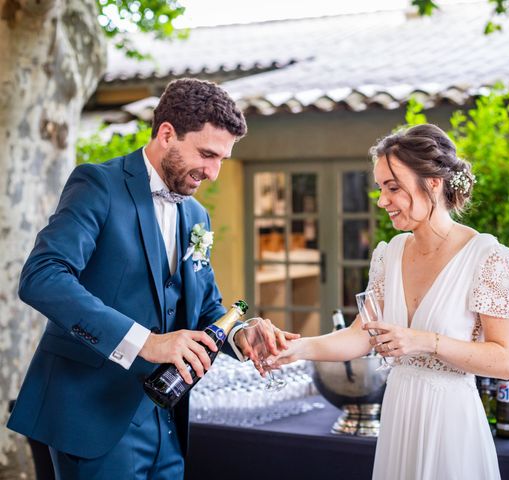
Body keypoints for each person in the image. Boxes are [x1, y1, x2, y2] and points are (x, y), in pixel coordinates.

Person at [7, 78, 295, 479]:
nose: (212, 172)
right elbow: (42, 276)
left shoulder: (196, 216)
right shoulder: (98, 184)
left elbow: (207, 306)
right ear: (166, 134)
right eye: (206, 154)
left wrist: (239, 335)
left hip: (168, 418)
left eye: (222, 160)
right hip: (93, 416)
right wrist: (146, 343)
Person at [272, 124, 509, 479]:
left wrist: (424, 341)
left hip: (450, 423)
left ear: (433, 183)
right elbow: (361, 335)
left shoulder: (487, 257)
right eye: (380, 188)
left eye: (393, 187)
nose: (381, 200)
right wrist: (297, 349)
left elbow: (503, 360)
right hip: (399, 414)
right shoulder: (390, 254)